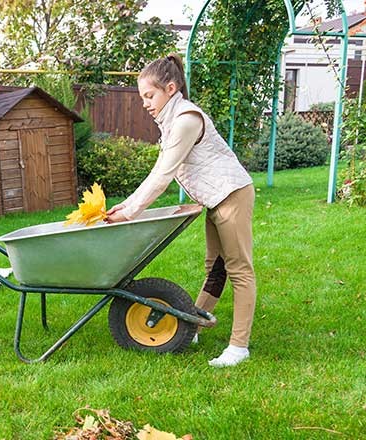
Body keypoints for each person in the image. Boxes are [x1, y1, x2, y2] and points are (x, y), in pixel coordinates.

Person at [105, 54, 256, 368]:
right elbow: (160, 169)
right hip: (216, 198)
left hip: (232, 195)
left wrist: (130, 212)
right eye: (143, 97)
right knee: (214, 267)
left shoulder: (186, 119)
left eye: (150, 95)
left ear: (171, 88)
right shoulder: (172, 119)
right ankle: (193, 324)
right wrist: (127, 204)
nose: (145, 103)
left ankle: (239, 347)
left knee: (238, 270)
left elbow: (163, 175)